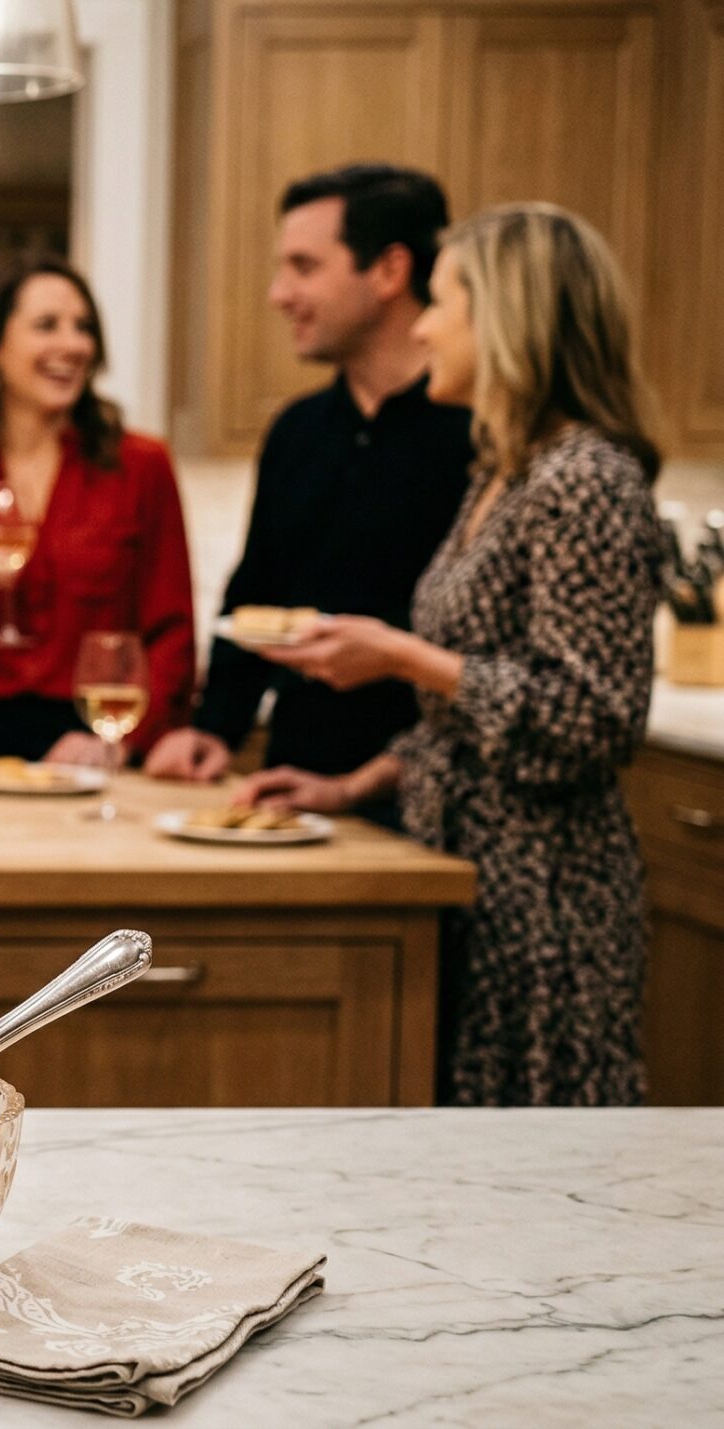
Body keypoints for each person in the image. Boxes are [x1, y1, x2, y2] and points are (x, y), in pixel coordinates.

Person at [241, 204, 666, 1107]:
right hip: (468, 867)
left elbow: (594, 717)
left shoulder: (585, 480)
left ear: (508, 320)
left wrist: (402, 656)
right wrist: (351, 787)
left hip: (546, 898)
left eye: (442, 303)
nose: (425, 327)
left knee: (533, 1157)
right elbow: (467, 716)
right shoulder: (500, 474)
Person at [146, 165, 473, 812]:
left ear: (389, 271)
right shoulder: (297, 430)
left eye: (304, 266)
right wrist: (215, 729)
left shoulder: (480, 434)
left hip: (430, 793)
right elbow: (257, 591)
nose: (278, 294)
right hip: (294, 784)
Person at [0, 254, 195, 766]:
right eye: (47, 325)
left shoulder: (142, 466)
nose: (73, 345)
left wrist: (121, 741)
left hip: (90, 739)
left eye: (83, 328)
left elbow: (172, 635)